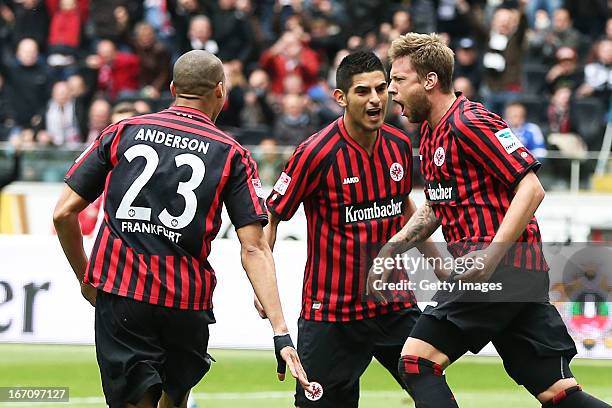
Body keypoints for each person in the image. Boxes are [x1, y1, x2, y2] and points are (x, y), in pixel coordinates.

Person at [53, 50, 310, 408]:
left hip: (124, 296)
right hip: (185, 304)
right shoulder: (232, 154)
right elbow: (254, 248)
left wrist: (86, 277)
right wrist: (281, 332)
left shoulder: (123, 131)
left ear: (173, 88)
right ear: (221, 91)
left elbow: (63, 214)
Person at [382, 32, 611, 408]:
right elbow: (437, 206)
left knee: (416, 362)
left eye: (398, 79)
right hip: (514, 275)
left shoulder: (471, 121)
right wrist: (394, 246)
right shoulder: (429, 134)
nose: (391, 90)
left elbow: (532, 189)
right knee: (558, 393)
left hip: (499, 269)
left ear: (430, 80)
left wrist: (490, 255)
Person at [256, 51, 444, 407]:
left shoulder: (400, 143)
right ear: (340, 97)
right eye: (362, 91)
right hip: (331, 314)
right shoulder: (315, 152)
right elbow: (272, 216)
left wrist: (438, 263)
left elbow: (405, 206)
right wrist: (261, 285)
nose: (375, 99)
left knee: (432, 389)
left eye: (380, 88)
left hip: (393, 304)